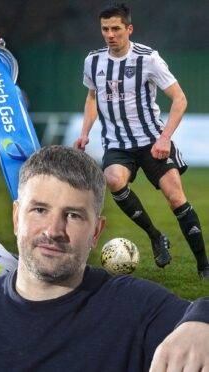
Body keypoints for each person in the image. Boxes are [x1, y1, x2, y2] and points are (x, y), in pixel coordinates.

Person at [0, 146, 209, 371]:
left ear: (96, 232)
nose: (54, 231)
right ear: (17, 217)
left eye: (73, 215)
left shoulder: (136, 307)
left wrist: (203, 322)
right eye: (39, 210)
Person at [73, 3, 209, 279]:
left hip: (151, 141)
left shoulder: (149, 59)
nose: (110, 34)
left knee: (175, 197)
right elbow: (91, 98)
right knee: (113, 179)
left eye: (116, 29)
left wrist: (165, 139)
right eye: (105, 29)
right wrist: (85, 131)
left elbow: (180, 99)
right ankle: (156, 236)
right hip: (117, 143)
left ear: (129, 29)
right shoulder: (93, 61)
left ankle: (204, 265)